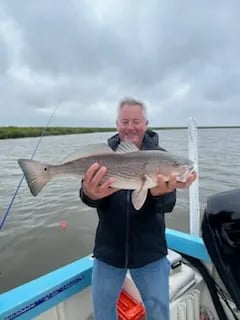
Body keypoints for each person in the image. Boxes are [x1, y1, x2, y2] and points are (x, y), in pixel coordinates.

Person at [79, 98, 197, 320]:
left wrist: (158, 194)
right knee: (103, 314)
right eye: (125, 121)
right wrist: (90, 194)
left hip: (150, 253)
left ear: (146, 123)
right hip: (108, 252)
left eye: (136, 121)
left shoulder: (163, 158)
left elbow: (168, 204)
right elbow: (86, 196)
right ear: (117, 124)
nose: (130, 127)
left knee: (159, 314)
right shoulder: (102, 158)